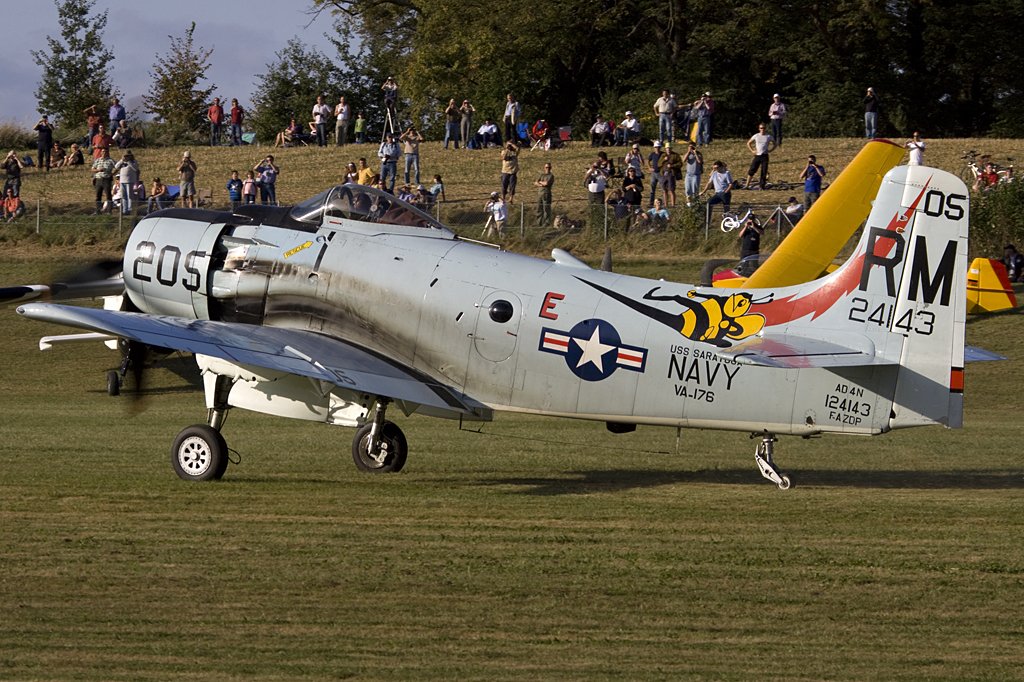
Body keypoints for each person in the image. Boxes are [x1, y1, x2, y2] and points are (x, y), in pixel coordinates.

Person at [744, 123, 775, 189]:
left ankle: (762, 186)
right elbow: (748, 143)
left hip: (765, 156)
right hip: (757, 156)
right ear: (759, 129)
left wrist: (770, 150)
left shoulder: (768, 136)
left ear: (765, 129)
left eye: (763, 128)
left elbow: (775, 144)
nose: (762, 129)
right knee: (752, 170)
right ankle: (747, 185)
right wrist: (752, 151)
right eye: (761, 128)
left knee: (764, 171)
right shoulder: (756, 136)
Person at [91, 147, 115, 214]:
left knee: (108, 195)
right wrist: (98, 170)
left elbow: (116, 167)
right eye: (103, 151)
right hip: (98, 179)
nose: (104, 153)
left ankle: (109, 211)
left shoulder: (110, 160)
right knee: (98, 195)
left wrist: (112, 173)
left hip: (106, 179)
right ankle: (98, 210)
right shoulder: (98, 160)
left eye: (105, 151)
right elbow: (92, 169)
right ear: (101, 152)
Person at [659, 143, 682, 207]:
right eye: (667, 148)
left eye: (669, 148)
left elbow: (680, 164)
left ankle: (673, 205)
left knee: (671, 190)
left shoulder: (675, 155)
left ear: (671, 148)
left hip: (671, 174)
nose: (668, 149)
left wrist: (672, 166)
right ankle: (666, 205)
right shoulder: (663, 155)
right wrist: (664, 160)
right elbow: (658, 164)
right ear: (665, 149)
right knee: (664, 190)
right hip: (663, 174)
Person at [684, 142, 703, 206]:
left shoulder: (699, 154)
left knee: (695, 190)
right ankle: (689, 203)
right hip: (688, 175)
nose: (691, 148)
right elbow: (683, 160)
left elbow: (699, 161)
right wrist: (688, 152)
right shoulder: (688, 154)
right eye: (690, 147)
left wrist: (695, 153)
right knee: (688, 189)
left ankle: (695, 203)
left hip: (696, 175)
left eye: (692, 147)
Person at [535, 162, 554, 227]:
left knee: (546, 209)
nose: (547, 169)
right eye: (546, 167)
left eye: (548, 167)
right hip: (540, 194)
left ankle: (546, 223)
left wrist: (540, 182)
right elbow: (535, 182)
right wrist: (541, 183)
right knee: (539, 208)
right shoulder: (541, 175)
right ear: (544, 168)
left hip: (546, 194)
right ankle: (538, 223)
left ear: (550, 168)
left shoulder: (551, 176)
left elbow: (546, 183)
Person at [647, 140, 663, 207]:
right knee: (652, 189)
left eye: (658, 147)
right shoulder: (652, 154)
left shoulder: (663, 154)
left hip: (660, 173)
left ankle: (663, 203)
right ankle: (651, 203)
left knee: (663, 189)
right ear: (654, 147)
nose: (657, 148)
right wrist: (649, 167)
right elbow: (648, 160)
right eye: (656, 147)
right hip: (654, 173)